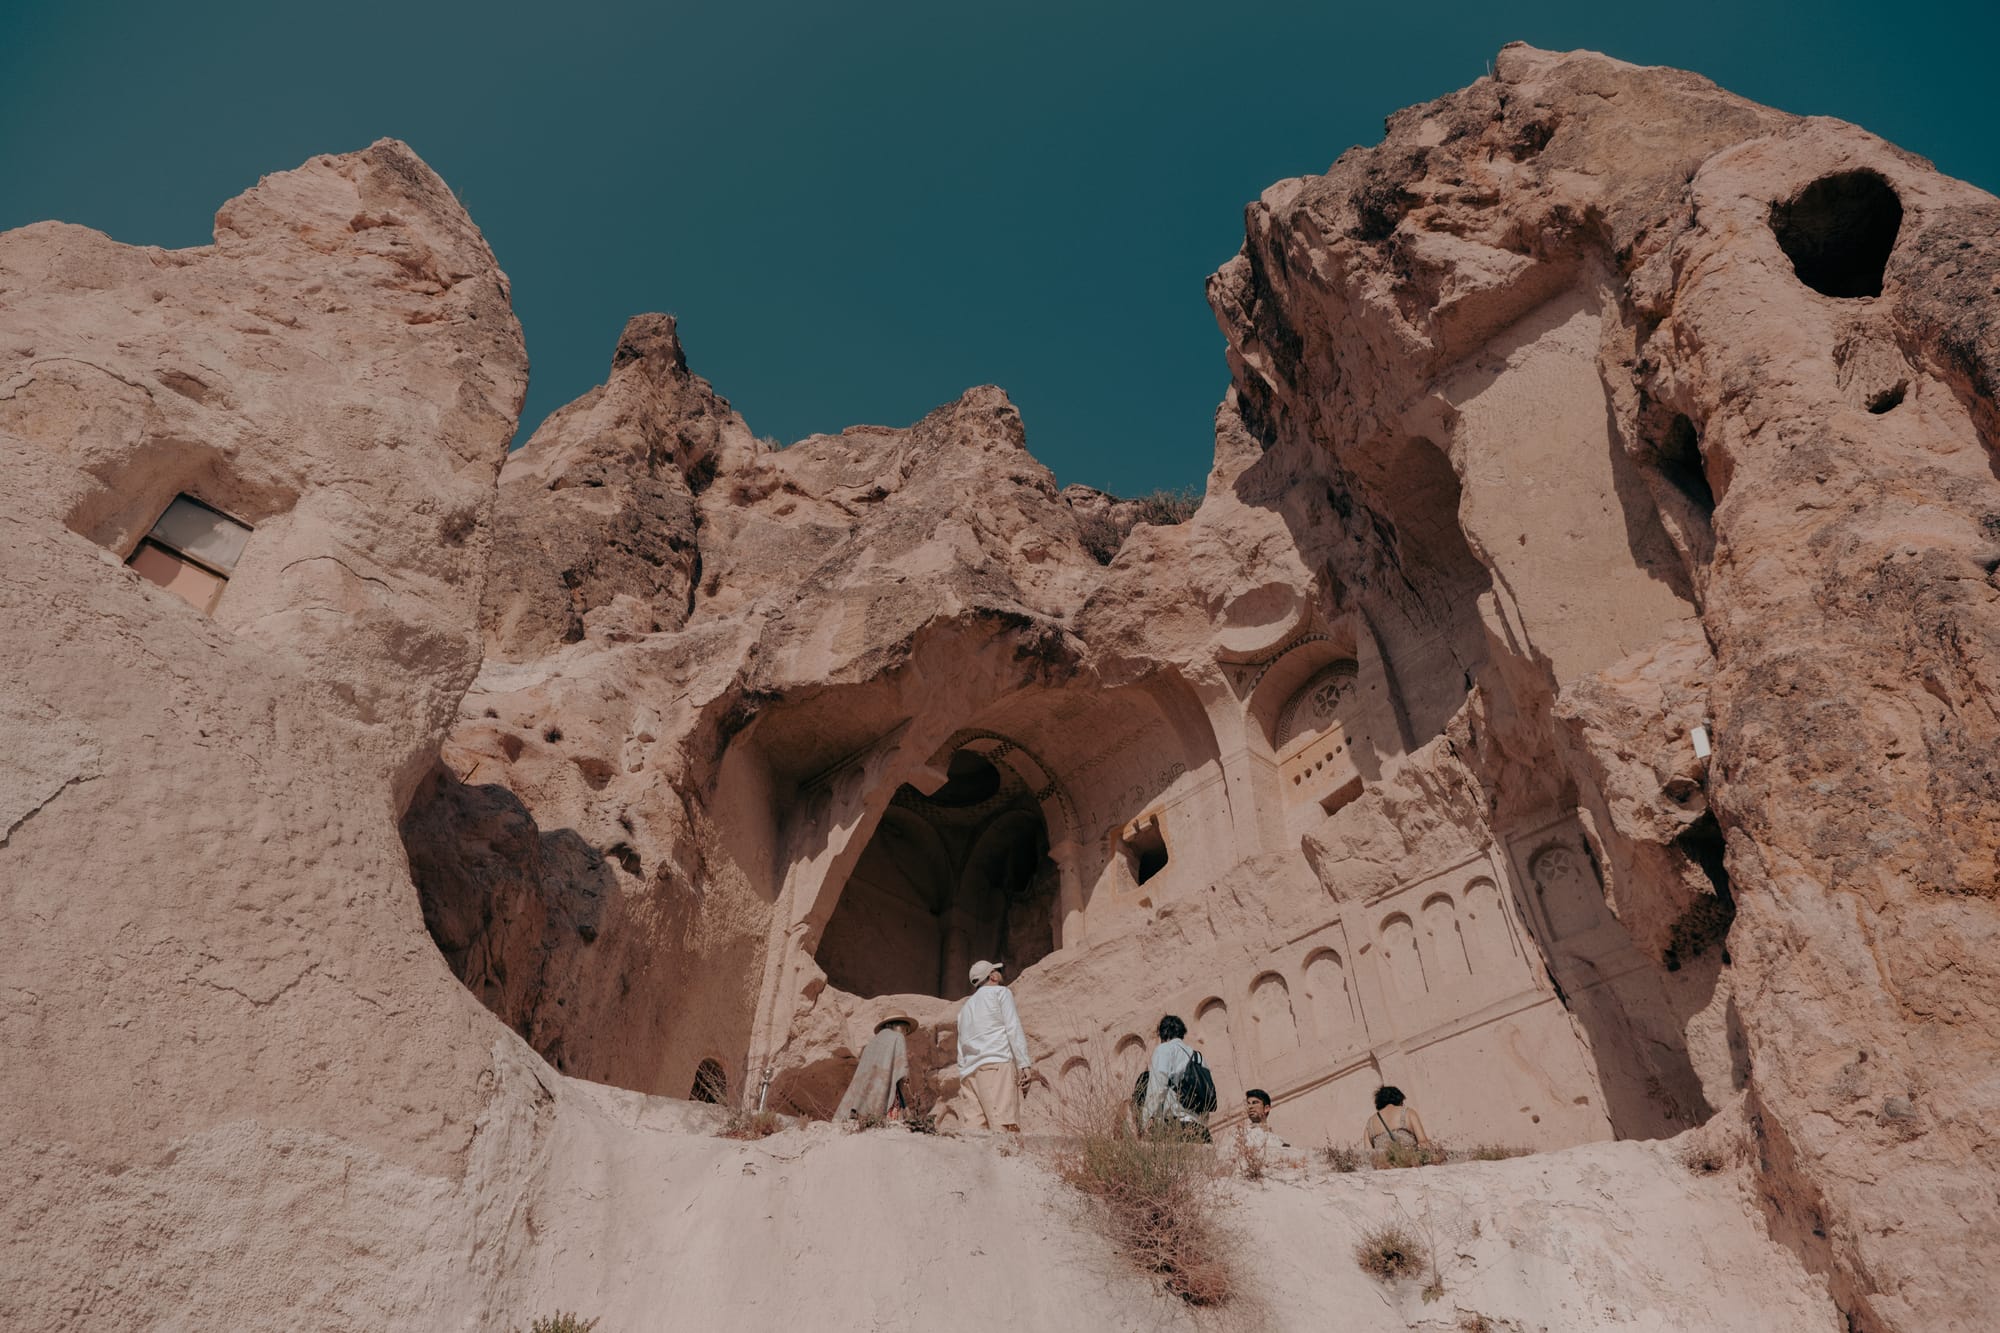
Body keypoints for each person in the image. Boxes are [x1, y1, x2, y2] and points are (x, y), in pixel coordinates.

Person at [948, 960, 1032, 1132]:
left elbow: (961, 1046)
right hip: (996, 1065)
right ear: (992, 976)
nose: (999, 973)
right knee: (1004, 1130)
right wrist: (1024, 1064)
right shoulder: (1001, 993)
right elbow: (1013, 1027)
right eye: (996, 971)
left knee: (975, 1136)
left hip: (969, 1074)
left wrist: (964, 1073)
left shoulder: (964, 1009)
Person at [1141, 1014, 1212, 1142]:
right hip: (1201, 1130)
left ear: (1163, 1033)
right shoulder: (1198, 1057)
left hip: (1176, 1126)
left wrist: (1147, 1118)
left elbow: (1158, 1086)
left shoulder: (1164, 1050)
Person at [833, 1017, 913, 1122]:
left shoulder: (872, 1042)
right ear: (895, 1025)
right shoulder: (898, 1037)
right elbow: (901, 1064)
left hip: (866, 1087)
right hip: (885, 1083)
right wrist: (906, 1076)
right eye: (905, 1028)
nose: (905, 1033)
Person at [1364, 1085, 1432, 1150]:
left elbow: (1368, 1154)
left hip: (1383, 1162)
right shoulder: (1408, 1113)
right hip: (1409, 1161)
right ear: (1399, 1099)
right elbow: (1423, 1143)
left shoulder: (1370, 1123)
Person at [1238, 1088, 1291, 1155]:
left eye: (1255, 1103)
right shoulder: (1242, 1135)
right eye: (1248, 1103)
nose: (1250, 1106)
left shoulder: (1277, 1139)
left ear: (1266, 1108)